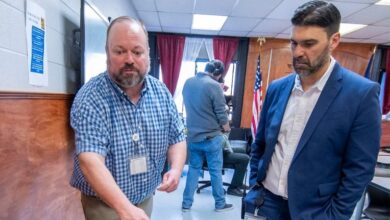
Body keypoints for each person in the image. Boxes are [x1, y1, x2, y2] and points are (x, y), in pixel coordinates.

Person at [245, 1, 382, 219]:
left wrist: (335, 215)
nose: (298, 52)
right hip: (267, 203)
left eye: (309, 44)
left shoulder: (361, 94)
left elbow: (360, 169)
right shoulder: (277, 89)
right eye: (294, 43)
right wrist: (255, 184)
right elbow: (260, 144)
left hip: (317, 211)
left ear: (333, 41)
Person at [70, 16, 186, 220]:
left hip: (145, 197)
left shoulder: (161, 91)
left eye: (137, 51)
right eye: (120, 51)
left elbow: (177, 137)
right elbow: (90, 160)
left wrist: (175, 169)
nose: (129, 59)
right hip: (105, 204)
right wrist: (124, 208)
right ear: (107, 53)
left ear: (148, 54)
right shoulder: (90, 98)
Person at [182, 60, 233, 212]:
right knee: (215, 171)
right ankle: (220, 204)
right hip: (211, 138)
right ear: (218, 74)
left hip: (193, 137)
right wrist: (227, 129)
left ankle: (186, 204)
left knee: (193, 170)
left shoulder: (188, 82)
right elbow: (221, 114)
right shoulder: (214, 86)